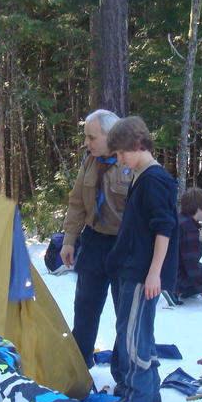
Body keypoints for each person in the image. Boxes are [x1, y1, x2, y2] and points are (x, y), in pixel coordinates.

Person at [101, 116, 180, 402]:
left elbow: (164, 229)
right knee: (140, 332)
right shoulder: (140, 175)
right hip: (131, 268)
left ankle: (137, 398)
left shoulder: (154, 180)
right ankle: (150, 392)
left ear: (137, 145)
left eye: (122, 153)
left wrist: (154, 273)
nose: (119, 159)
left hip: (142, 274)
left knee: (132, 337)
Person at [59, 109, 131, 367]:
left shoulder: (133, 163)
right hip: (93, 242)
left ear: (110, 136)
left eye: (91, 137)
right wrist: (69, 239)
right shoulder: (90, 161)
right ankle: (80, 365)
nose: (86, 143)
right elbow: (77, 201)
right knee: (85, 307)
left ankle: (125, 372)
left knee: (126, 313)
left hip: (124, 246)